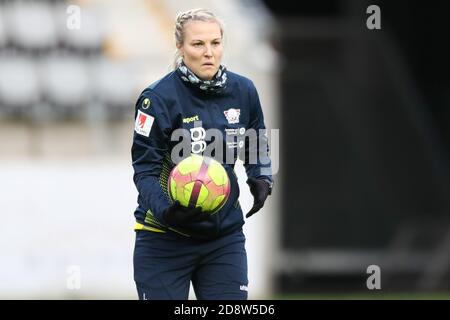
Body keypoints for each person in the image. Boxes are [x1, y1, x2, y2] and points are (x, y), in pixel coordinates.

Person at [131, 8, 273, 300]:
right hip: (163, 239)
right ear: (180, 47)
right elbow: (144, 171)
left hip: (224, 238)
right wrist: (168, 212)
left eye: (215, 42)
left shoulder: (244, 90)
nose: (209, 52)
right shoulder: (156, 99)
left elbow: (256, 141)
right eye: (198, 44)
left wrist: (261, 176)